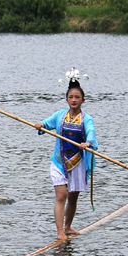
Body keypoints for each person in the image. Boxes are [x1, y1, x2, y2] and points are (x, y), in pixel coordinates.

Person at [34, 69, 98, 242]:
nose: (74, 100)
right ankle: (60, 232)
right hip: (59, 161)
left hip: (77, 162)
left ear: (83, 100)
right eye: (71, 97)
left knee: (73, 197)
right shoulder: (60, 115)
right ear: (67, 99)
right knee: (61, 195)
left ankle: (68, 226)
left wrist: (88, 143)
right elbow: (48, 123)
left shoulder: (87, 119)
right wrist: (41, 125)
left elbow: (90, 133)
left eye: (77, 97)